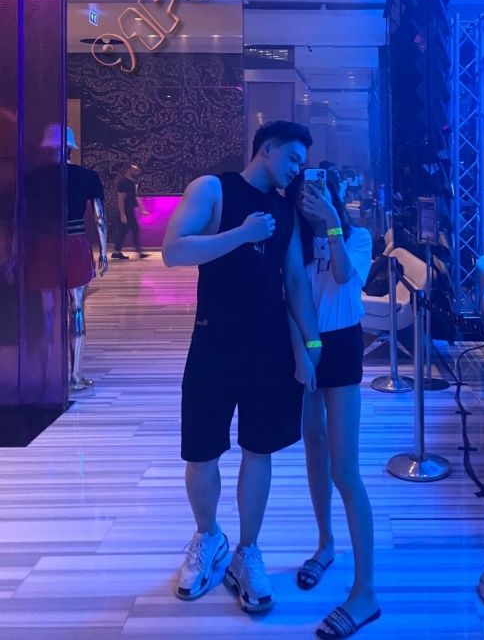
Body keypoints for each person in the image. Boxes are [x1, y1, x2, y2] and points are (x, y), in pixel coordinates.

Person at [162, 120, 321, 615]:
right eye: (292, 158)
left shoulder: (286, 210)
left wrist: (311, 341)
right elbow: (173, 250)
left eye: (302, 163)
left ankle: (247, 550)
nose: (296, 169)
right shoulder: (213, 189)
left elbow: (295, 280)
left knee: (260, 448)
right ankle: (208, 536)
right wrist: (242, 234)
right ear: (266, 148)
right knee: (201, 452)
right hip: (214, 339)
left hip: (269, 345)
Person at [287, 167, 379, 639]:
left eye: (322, 187)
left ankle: (365, 591)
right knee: (315, 447)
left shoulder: (357, 236)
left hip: (342, 344)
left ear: (337, 192)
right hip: (305, 343)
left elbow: (344, 277)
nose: (314, 195)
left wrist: (331, 223)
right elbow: (288, 295)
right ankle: (325, 544)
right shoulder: (293, 240)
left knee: (346, 469)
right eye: (307, 189)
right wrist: (301, 349)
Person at [25, 124, 108, 390]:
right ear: (71, 147)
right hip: (75, 244)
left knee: (47, 313)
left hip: (43, 245)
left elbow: (23, 217)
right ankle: (75, 375)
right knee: (78, 310)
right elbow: (99, 218)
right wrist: (103, 252)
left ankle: (48, 376)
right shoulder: (88, 176)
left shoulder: (32, 177)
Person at [112, 163, 150, 261]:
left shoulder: (133, 183)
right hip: (125, 210)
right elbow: (120, 199)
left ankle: (117, 252)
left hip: (130, 210)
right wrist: (122, 214)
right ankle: (138, 251)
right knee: (130, 229)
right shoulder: (123, 183)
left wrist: (142, 209)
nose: (137, 172)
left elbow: (135, 196)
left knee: (126, 230)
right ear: (128, 170)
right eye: (135, 170)